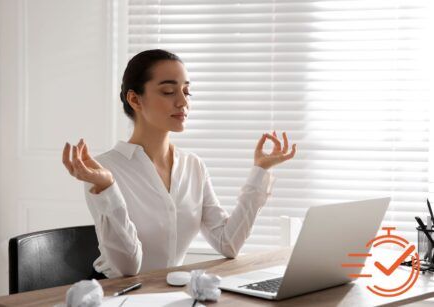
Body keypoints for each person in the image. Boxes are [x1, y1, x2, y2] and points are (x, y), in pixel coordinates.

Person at [62, 49, 297, 278]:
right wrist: (108, 189)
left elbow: (228, 243)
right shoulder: (103, 171)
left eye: (187, 91)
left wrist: (260, 171)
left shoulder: (193, 166)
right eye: (168, 91)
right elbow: (127, 269)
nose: (183, 101)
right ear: (134, 99)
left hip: (166, 293)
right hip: (112, 294)